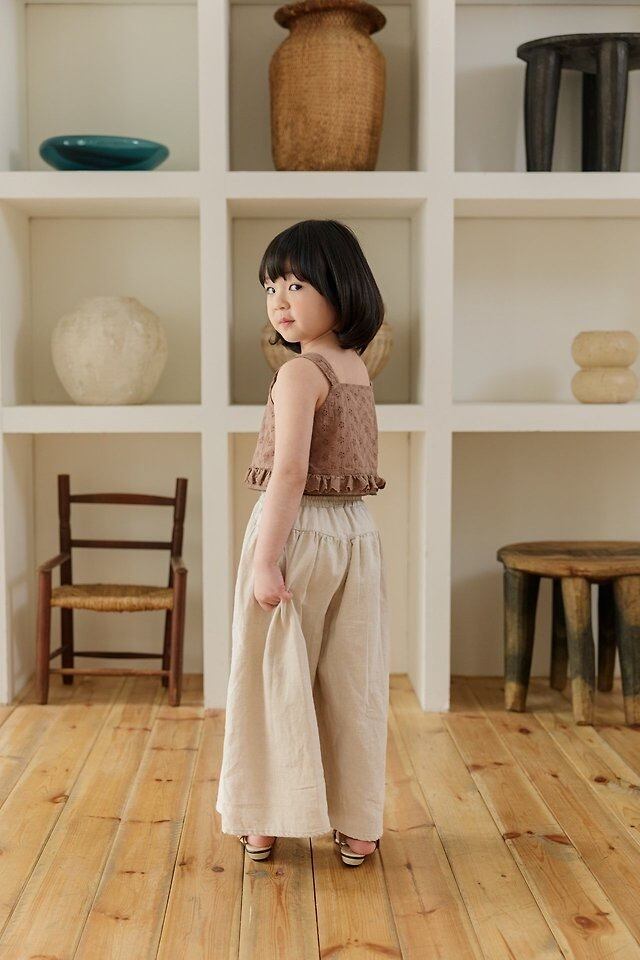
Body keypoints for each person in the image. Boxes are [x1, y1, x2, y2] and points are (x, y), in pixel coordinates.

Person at [215, 218, 390, 867]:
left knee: (273, 675)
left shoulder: (299, 374)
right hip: (355, 535)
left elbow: (290, 472)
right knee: (352, 683)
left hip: (298, 533)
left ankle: (263, 819)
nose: (279, 302)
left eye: (295, 285)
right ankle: (358, 824)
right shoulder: (355, 368)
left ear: (340, 288)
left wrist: (266, 561)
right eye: (270, 288)